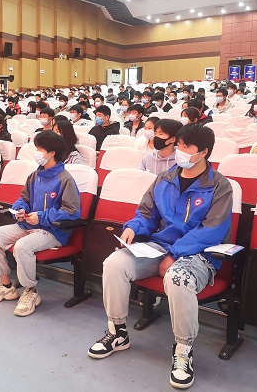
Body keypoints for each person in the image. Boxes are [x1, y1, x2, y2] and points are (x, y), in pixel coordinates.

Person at [87, 124, 233, 391]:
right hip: (159, 246)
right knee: (114, 264)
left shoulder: (219, 186)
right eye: (179, 145)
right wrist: (134, 227)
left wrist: (175, 254)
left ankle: (183, 350)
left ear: (203, 152)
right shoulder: (165, 178)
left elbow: (212, 230)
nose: (180, 151)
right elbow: (146, 213)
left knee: (178, 278)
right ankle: (117, 332)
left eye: (187, 147)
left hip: (199, 254)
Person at [0, 131, 81, 316]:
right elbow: (24, 198)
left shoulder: (65, 179)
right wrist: (20, 209)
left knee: (22, 247)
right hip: (28, 225)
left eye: (39, 149)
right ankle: (6, 286)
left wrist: (41, 217)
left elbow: (71, 212)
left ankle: (30, 291)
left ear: (52, 153)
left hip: (52, 232)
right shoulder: (35, 175)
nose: (36, 152)